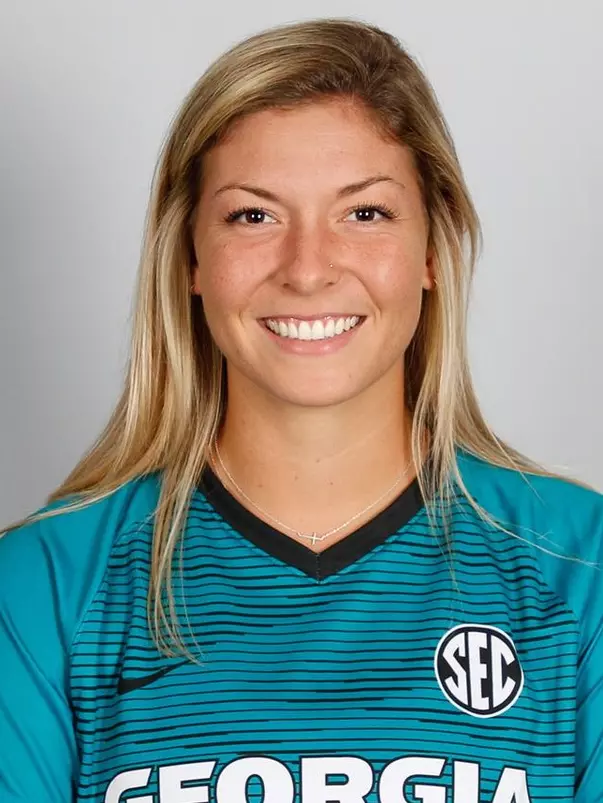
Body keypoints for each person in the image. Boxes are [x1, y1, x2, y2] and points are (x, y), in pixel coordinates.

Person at [0, 16, 601, 803]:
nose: (308, 269)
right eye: (254, 215)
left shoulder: (578, 568)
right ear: (190, 257)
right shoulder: (43, 585)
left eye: (364, 213)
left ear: (430, 249)